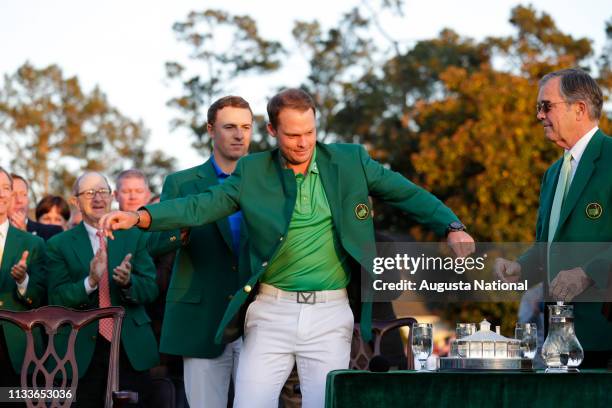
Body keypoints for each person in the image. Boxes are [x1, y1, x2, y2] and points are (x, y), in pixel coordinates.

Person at [100, 88, 474, 407]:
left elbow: (406, 192)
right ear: (272, 130)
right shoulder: (253, 172)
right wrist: (141, 216)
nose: (303, 143)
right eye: (293, 135)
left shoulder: (350, 161)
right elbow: (201, 205)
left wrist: (452, 225)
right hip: (270, 313)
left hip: (330, 313)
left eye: (310, 132)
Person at [496, 68, 612, 368]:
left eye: (546, 106)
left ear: (580, 109)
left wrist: (588, 273)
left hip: (604, 335)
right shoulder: (551, 175)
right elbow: (545, 247)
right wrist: (518, 267)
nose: (539, 115)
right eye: (539, 107)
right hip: (556, 341)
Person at [147, 95, 253, 408]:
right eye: (229, 126)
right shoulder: (181, 183)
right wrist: (179, 233)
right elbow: (154, 243)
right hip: (201, 315)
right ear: (210, 129)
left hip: (257, 315)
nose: (239, 134)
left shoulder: (270, 180)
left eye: (246, 127)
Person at [46, 171, 159, 407]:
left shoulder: (134, 236)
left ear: (111, 197)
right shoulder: (59, 244)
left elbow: (150, 289)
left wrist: (129, 282)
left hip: (130, 347)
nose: (98, 198)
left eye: (102, 191)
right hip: (81, 350)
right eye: (89, 193)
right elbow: (55, 298)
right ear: (75, 202)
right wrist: (90, 282)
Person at [0, 167, 46, 388]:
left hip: (19, 349)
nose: (1, 194)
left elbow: (41, 297)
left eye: (6, 188)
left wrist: (22, 281)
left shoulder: (33, 244)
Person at [8, 174, 63, 240]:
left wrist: (24, 233)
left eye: (24, 194)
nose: (19, 200)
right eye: (13, 195)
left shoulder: (52, 232)